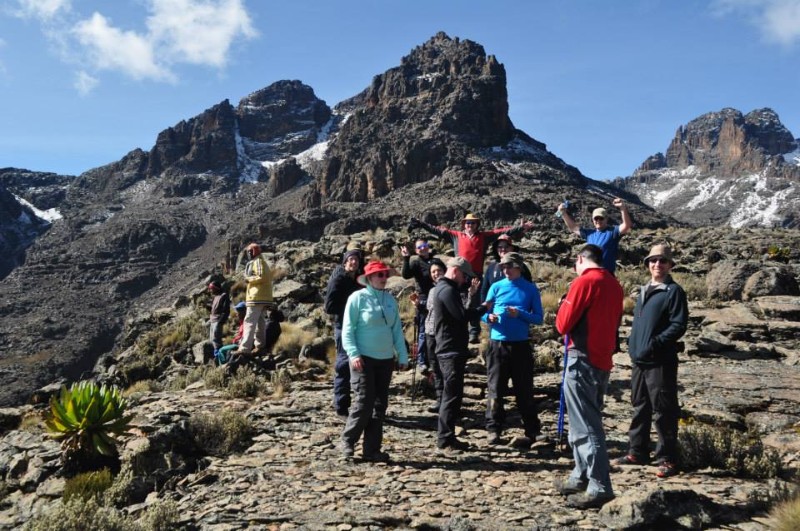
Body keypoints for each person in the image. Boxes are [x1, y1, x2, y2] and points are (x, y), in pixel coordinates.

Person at [554, 244, 623, 509]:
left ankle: (599, 485)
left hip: (581, 358)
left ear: (581, 259)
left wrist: (563, 306)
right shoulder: (614, 284)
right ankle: (580, 474)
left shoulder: (584, 282)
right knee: (583, 419)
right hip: (602, 358)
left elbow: (562, 324)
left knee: (586, 424)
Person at [616, 244, 688, 479]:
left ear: (670, 265)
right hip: (640, 360)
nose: (657, 264)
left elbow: (678, 325)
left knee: (663, 409)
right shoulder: (645, 289)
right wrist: (633, 345)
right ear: (647, 264)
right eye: (653, 260)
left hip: (660, 360)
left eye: (662, 261)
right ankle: (637, 451)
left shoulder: (673, 291)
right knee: (640, 405)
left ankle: (667, 458)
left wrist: (656, 343)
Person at [411, 213, 534, 343]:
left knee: (475, 302)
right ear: (464, 224)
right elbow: (437, 231)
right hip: (459, 275)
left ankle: (474, 331)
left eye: (473, 223)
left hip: (475, 275)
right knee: (457, 302)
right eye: (468, 223)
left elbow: (501, 231)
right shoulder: (456, 236)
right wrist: (421, 224)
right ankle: (458, 329)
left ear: (477, 225)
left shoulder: (484, 237)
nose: (470, 225)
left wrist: (519, 228)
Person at [340, 260, 409, 463]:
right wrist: (353, 354)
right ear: (369, 278)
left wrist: (402, 355)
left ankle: (371, 450)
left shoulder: (390, 300)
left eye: (385, 275)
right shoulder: (357, 298)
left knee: (380, 405)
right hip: (363, 359)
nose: (384, 278)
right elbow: (347, 329)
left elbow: (396, 329)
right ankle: (348, 441)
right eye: (380, 275)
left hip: (385, 360)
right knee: (363, 402)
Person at [481, 252, 544, 446]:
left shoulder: (530, 289)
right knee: (495, 389)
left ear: (519, 267)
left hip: (521, 345)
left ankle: (533, 431)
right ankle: (493, 430)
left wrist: (520, 314)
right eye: (502, 267)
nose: (505, 270)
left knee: (524, 390)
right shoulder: (496, 286)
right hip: (497, 344)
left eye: (509, 267)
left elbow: (538, 318)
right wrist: (488, 318)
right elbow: (484, 311)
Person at [432, 256, 489, 455]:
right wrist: (484, 308)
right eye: (464, 276)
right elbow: (462, 316)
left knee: (453, 396)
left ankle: (449, 438)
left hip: (449, 348)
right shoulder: (447, 290)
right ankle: (444, 440)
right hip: (450, 350)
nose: (465, 280)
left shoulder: (445, 288)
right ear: (456, 270)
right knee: (450, 396)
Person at [324, 249, 364, 417]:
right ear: (345, 262)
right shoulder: (338, 279)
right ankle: (341, 405)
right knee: (343, 364)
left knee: (359, 365)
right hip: (343, 326)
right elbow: (329, 307)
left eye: (356, 260)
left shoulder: (358, 280)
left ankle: (360, 404)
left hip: (360, 327)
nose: (353, 262)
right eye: (351, 259)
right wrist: (349, 309)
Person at [556, 197, 632, 274]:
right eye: (596, 218)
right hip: (591, 273)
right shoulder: (589, 234)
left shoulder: (613, 232)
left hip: (607, 274)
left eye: (601, 218)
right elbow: (573, 227)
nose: (598, 221)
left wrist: (623, 208)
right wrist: (563, 213)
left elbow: (627, 225)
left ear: (606, 219)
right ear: (592, 220)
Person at [401, 237, 437, 371]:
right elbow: (405, 275)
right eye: (420, 247)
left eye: (425, 245)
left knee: (436, 330)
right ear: (416, 251)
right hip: (423, 299)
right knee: (423, 331)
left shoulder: (436, 261)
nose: (423, 248)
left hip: (437, 297)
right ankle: (422, 361)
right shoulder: (416, 263)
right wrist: (406, 258)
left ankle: (433, 359)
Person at [236, 243, 273, 355]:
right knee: (260, 322)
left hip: (256, 296)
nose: (248, 254)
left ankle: (244, 349)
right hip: (263, 297)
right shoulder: (261, 261)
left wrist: (249, 279)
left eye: (249, 252)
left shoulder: (258, 262)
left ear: (253, 252)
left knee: (249, 321)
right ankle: (260, 346)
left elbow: (261, 276)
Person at [480, 234, 532, 304]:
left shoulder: (520, 266)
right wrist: (485, 310)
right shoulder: (491, 267)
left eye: (506, 246)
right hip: (495, 310)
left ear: (512, 248)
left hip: (516, 308)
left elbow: (529, 288)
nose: (503, 249)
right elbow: (484, 291)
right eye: (500, 247)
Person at [208, 280, 230, 352]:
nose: (210, 290)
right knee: (212, 340)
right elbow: (214, 310)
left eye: (212, 288)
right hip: (212, 320)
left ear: (216, 288)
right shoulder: (216, 296)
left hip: (217, 321)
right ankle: (216, 356)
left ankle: (219, 356)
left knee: (216, 341)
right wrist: (206, 307)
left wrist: (220, 322)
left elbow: (226, 311)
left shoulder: (223, 296)